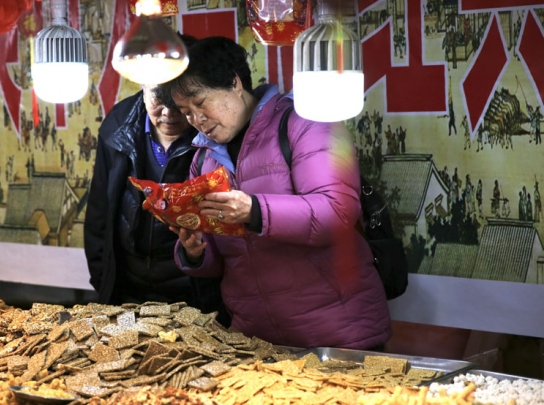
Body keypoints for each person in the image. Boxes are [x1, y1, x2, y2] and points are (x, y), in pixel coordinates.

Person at [158, 36, 391, 349]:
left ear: (234, 82)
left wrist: (255, 211)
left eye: (201, 103)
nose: (196, 120)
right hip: (256, 340)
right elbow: (220, 257)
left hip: (337, 333)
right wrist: (195, 250)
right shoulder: (203, 159)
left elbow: (337, 213)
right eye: (186, 112)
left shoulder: (305, 123)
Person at [84, 35, 227, 322]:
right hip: (127, 290)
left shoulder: (215, 133)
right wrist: (104, 282)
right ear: (142, 87)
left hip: (194, 292)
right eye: (157, 101)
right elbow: (99, 212)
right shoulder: (118, 124)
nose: (169, 114)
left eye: (177, 103)